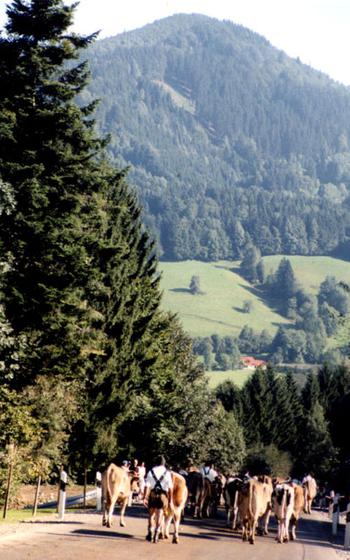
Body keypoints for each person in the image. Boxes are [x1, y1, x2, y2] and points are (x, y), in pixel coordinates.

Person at [143, 455, 173, 542]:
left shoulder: (150, 471)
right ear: (164, 463)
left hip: (152, 494)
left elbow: (146, 486)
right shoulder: (167, 473)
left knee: (151, 515)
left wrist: (145, 497)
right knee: (160, 514)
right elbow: (170, 488)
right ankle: (156, 533)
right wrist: (170, 500)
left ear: (156, 462)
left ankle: (150, 532)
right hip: (163, 495)